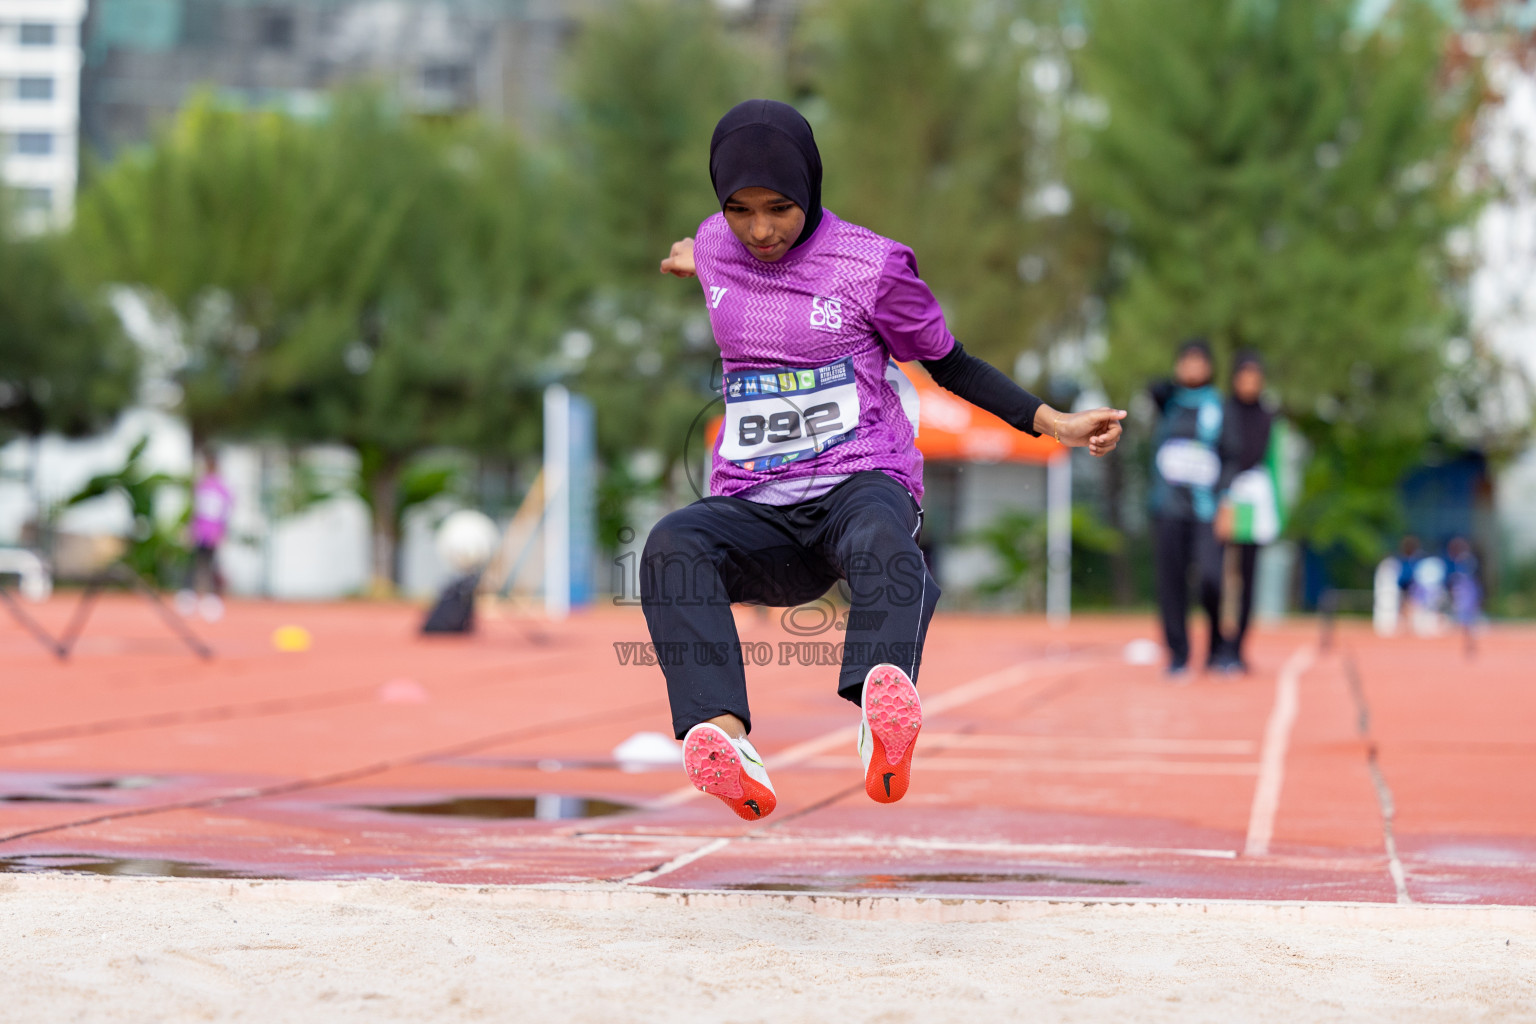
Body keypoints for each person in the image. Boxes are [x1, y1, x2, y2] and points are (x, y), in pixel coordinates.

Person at [646, 99, 1126, 820]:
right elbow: (707, 244)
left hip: (860, 483)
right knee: (670, 544)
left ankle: (883, 712)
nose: (762, 230)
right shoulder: (718, 243)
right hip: (757, 506)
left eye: (780, 208)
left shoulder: (872, 266)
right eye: (741, 211)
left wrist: (1051, 420)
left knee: (885, 544)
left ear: (809, 188)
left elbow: (951, 364)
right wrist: (694, 254)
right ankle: (725, 737)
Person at [1148, 339, 1231, 677]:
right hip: (1168, 507)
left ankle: (1216, 647)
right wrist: (1175, 380)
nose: (1193, 367)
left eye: (1200, 361)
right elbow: (1152, 387)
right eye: (1187, 361)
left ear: (1211, 366)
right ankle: (1178, 654)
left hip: (1206, 508)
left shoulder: (1220, 407)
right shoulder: (1169, 401)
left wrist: (1226, 500)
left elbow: (1232, 455)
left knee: (1211, 578)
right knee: (1171, 583)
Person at [1212, 351, 1274, 673]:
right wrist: (1222, 496)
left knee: (1248, 577)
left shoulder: (1269, 415)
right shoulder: (1222, 411)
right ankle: (1217, 644)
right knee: (1219, 575)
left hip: (1255, 499)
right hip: (1225, 496)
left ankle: (1237, 647)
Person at [178, 451, 232, 622]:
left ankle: (212, 598)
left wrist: (222, 532)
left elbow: (224, 513)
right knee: (194, 562)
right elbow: (196, 511)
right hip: (200, 531)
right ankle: (189, 595)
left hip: (212, 532)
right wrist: (190, 529)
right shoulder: (201, 486)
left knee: (211, 564)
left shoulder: (222, 489)